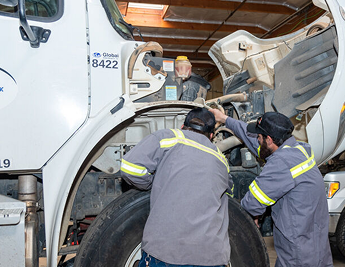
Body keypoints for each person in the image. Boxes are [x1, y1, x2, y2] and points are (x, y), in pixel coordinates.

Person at [209, 109, 333, 267]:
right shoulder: (300, 149)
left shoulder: (281, 163)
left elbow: (251, 203)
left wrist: (251, 215)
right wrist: (225, 119)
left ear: (269, 140)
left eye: (259, 137)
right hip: (317, 244)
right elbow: (257, 145)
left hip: (299, 255)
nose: (257, 140)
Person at [120, 107, 231, 267]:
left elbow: (130, 167)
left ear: (182, 127)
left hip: (167, 252)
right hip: (211, 255)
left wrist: (151, 183)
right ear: (211, 136)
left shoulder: (168, 137)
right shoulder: (221, 160)